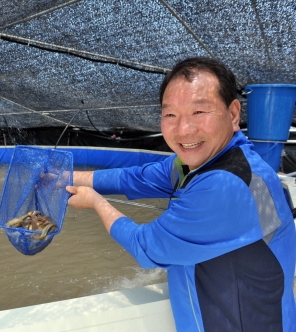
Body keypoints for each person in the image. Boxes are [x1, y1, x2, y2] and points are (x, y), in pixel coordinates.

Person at [66, 56, 296, 331]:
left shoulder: (229, 184)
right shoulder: (196, 163)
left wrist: (96, 203)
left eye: (199, 112)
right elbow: (135, 178)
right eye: (170, 114)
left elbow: (147, 247)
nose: (183, 129)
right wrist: (64, 178)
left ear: (233, 114)